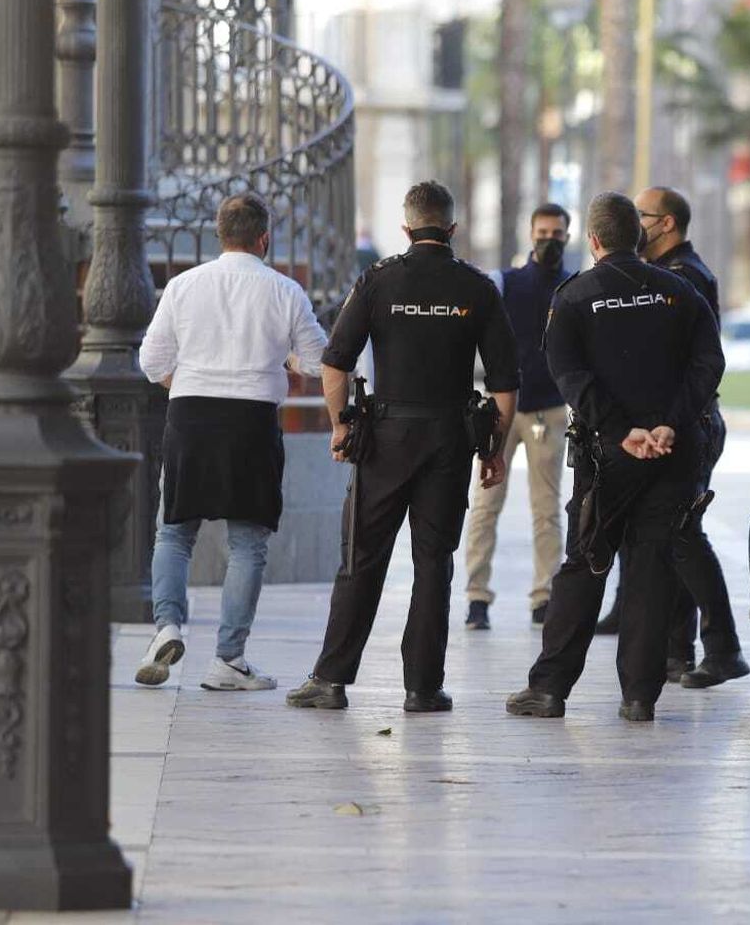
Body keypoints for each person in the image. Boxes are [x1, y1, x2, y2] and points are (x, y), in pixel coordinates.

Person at [286, 181, 518, 713]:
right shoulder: (478, 289)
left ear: (407, 228)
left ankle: (330, 680)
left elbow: (334, 363)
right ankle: (422, 688)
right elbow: (505, 384)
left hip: (385, 440)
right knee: (434, 562)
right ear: (452, 229)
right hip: (448, 443)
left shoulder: (378, 280)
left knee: (361, 557)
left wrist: (341, 427)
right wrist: (493, 449)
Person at [505, 191, 724, 722]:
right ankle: (639, 697)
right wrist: (669, 423)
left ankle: (550, 689)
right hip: (673, 452)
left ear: (594, 240)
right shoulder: (677, 291)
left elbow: (569, 375)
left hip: (608, 457)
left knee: (585, 565)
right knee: (652, 568)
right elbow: (708, 363)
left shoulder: (575, 296)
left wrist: (624, 431)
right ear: (639, 235)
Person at [135, 192, 330, 691]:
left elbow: (151, 362)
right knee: (247, 544)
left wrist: (188, 384)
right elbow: (318, 359)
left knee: (174, 531)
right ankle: (228, 660)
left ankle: (167, 626)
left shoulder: (183, 285)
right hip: (251, 422)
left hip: (190, 413)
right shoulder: (285, 291)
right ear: (263, 238)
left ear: (221, 235)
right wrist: (287, 361)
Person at [633, 185, 749, 688]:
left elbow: (687, 363)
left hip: (687, 423)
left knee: (683, 534)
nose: (635, 223)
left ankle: (723, 648)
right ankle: (677, 651)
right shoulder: (672, 275)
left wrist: (670, 423)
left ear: (667, 224)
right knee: (671, 536)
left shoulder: (684, 279)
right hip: (678, 422)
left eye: (642, 215)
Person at [462, 203, 573, 630]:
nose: (549, 240)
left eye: (557, 233)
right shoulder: (505, 284)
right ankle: (477, 598)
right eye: (542, 232)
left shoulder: (572, 286)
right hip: (500, 409)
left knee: (546, 510)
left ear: (568, 235)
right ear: (531, 234)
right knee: (485, 506)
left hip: (549, 409)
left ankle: (544, 596)